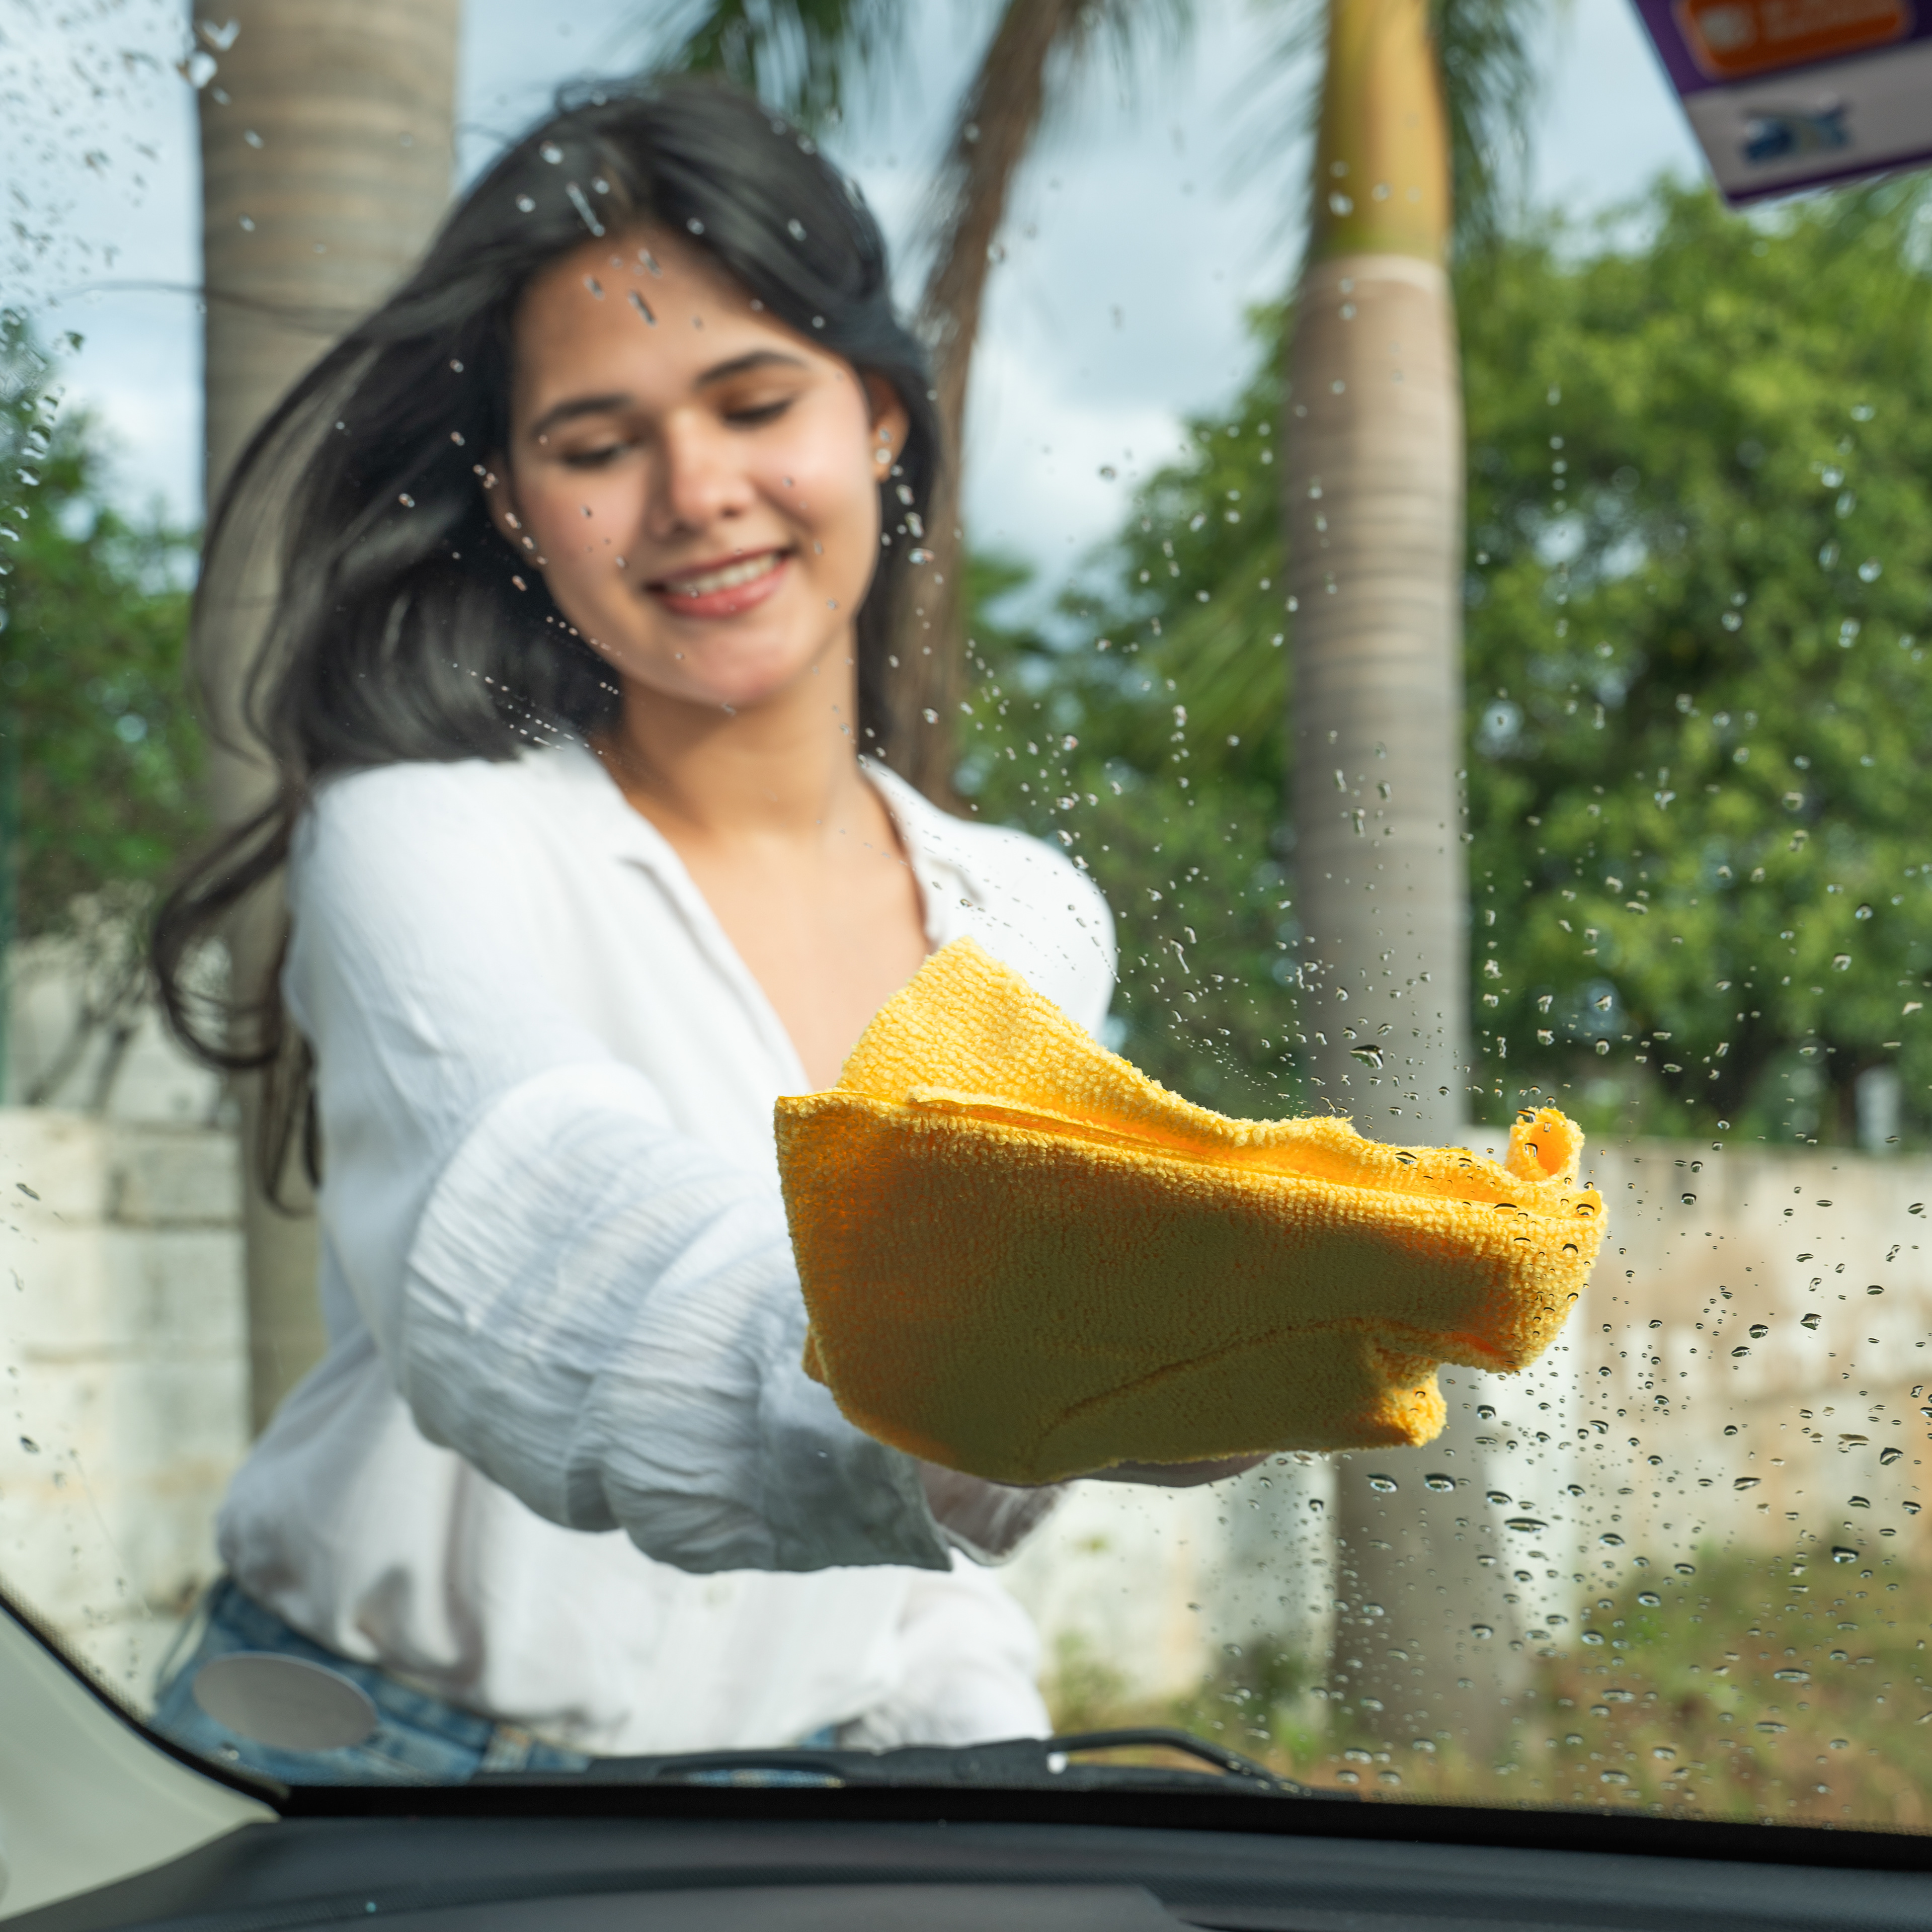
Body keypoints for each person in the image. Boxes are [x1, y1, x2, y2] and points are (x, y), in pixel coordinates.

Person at [148, 79, 1244, 1786]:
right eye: (598, 445)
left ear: (878, 415)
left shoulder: (1026, 922)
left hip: (791, 1790)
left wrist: (1003, 1783)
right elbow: (539, 1258)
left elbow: (922, 1588)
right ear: (514, 505)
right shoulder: (424, 839)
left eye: (754, 401)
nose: (696, 492)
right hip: (356, 1763)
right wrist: (995, 1383)